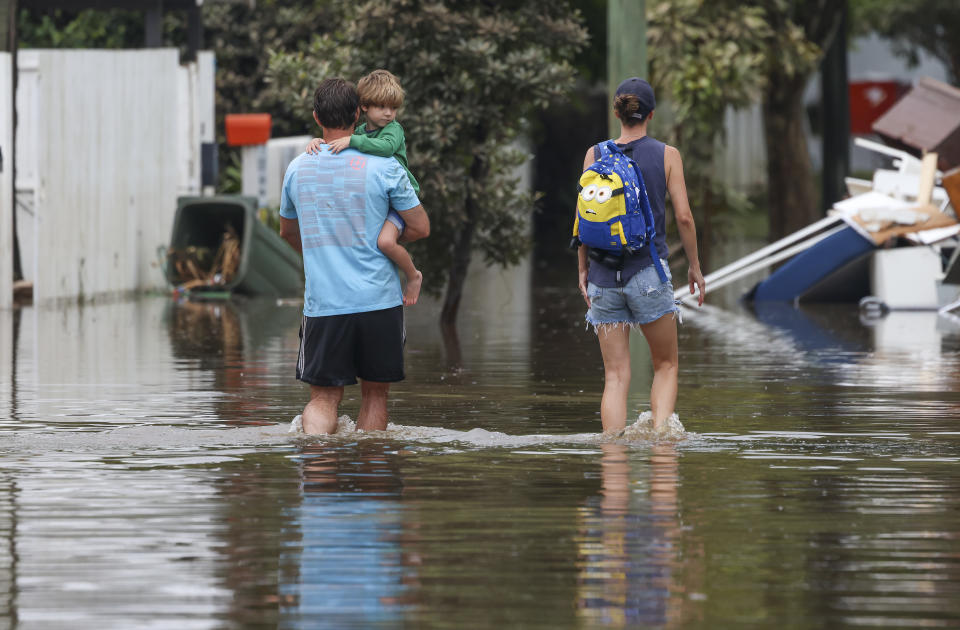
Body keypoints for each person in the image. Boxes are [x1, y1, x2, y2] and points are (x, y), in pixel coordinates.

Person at [280, 77, 430, 434]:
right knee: (375, 396)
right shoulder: (386, 166)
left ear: (317, 116)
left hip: (325, 304)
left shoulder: (298, 168)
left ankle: (317, 467)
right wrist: (379, 243)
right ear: (358, 113)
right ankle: (373, 479)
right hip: (379, 300)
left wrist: (322, 254)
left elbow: (287, 232)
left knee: (323, 398)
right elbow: (420, 227)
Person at [576, 77, 705, 435]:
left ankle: (612, 468)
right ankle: (664, 455)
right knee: (665, 365)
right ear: (650, 114)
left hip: (603, 278)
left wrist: (583, 269)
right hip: (648, 273)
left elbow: (586, 216)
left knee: (615, 377)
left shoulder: (595, 154)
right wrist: (694, 266)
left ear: (616, 112)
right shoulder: (667, 155)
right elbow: (683, 217)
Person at [306, 69, 423, 306]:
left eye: (394, 108)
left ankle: (413, 275)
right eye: (382, 107)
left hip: (396, 201)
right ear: (365, 107)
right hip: (376, 199)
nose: (389, 113)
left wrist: (353, 141)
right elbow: (339, 141)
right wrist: (318, 142)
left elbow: (386, 148)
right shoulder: (359, 132)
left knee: (385, 243)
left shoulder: (393, 130)